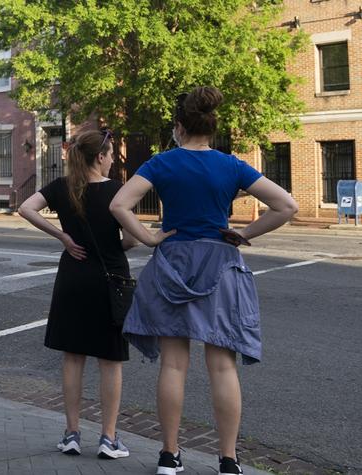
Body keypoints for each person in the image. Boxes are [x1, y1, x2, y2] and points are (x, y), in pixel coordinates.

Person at [109, 86, 298, 475]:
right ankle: (228, 461)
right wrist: (245, 234)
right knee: (223, 367)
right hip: (220, 261)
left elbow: (119, 205)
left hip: (174, 259)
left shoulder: (162, 163)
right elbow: (287, 206)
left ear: (179, 127)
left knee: (174, 366)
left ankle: (168, 456)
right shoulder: (231, 165)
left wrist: (149, 238)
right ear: (212, 127)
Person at [19, 129, 137, 460]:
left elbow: (27, 209)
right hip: (109, 278)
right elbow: (132, 239)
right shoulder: (118, 192)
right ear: (99, 157)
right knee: (111, 360)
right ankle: (108, 438)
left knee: (72, 357)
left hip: (72, 275)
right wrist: (117, 244)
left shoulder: (61, 187)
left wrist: (63, 237)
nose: (113, 160)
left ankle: (71, 433)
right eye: (111, 154)